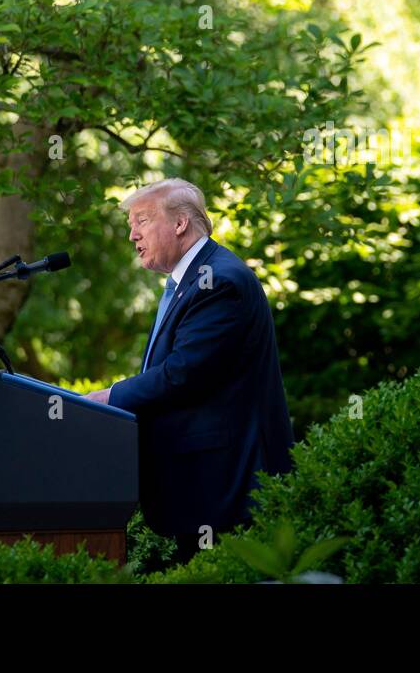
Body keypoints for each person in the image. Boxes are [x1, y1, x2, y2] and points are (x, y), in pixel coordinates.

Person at [85, 178, 294, 564]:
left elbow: (181, 374)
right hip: (204, 487)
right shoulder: (191, 279)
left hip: (226, 487)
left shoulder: (219, 282)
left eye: (142, 221)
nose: (132, 235)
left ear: (180, 223)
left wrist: (104, 398)